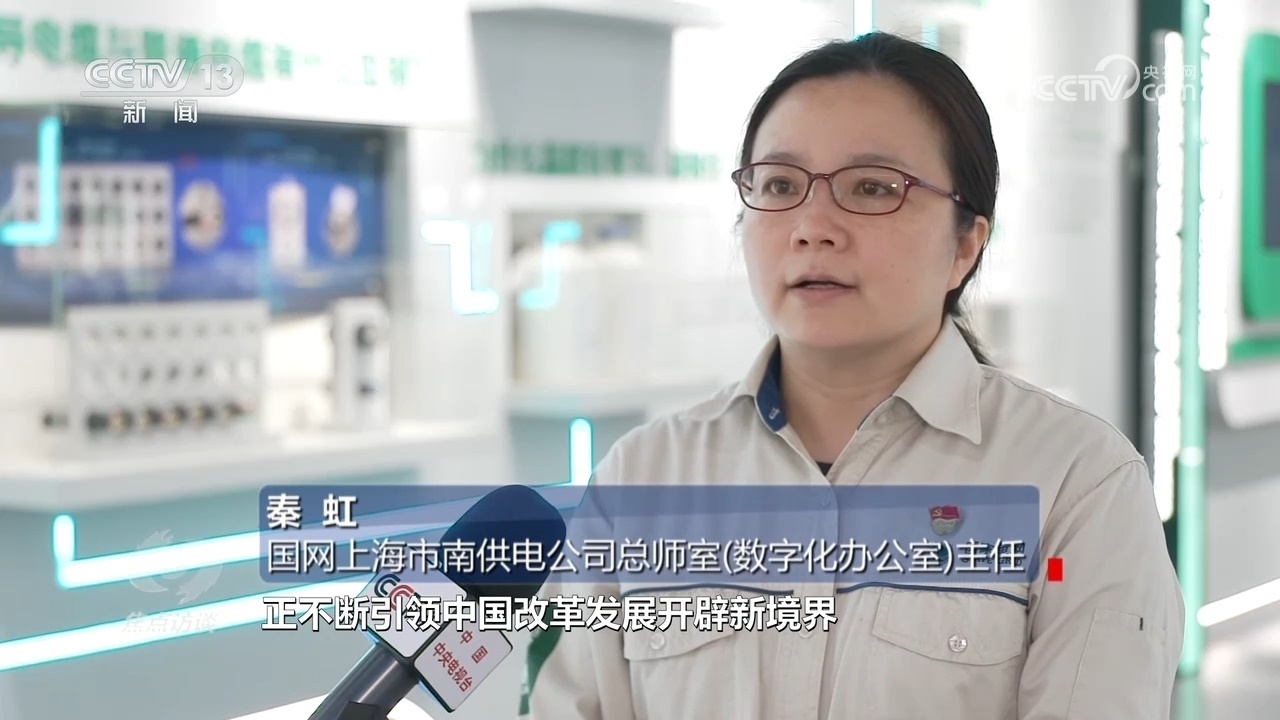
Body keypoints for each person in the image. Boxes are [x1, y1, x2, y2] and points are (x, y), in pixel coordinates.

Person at [517, 32, 1184, 720]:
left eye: (872, 188)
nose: (813, 226)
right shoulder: (644, 479)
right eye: (780, 185)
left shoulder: (1079, 484)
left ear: (965, 244)